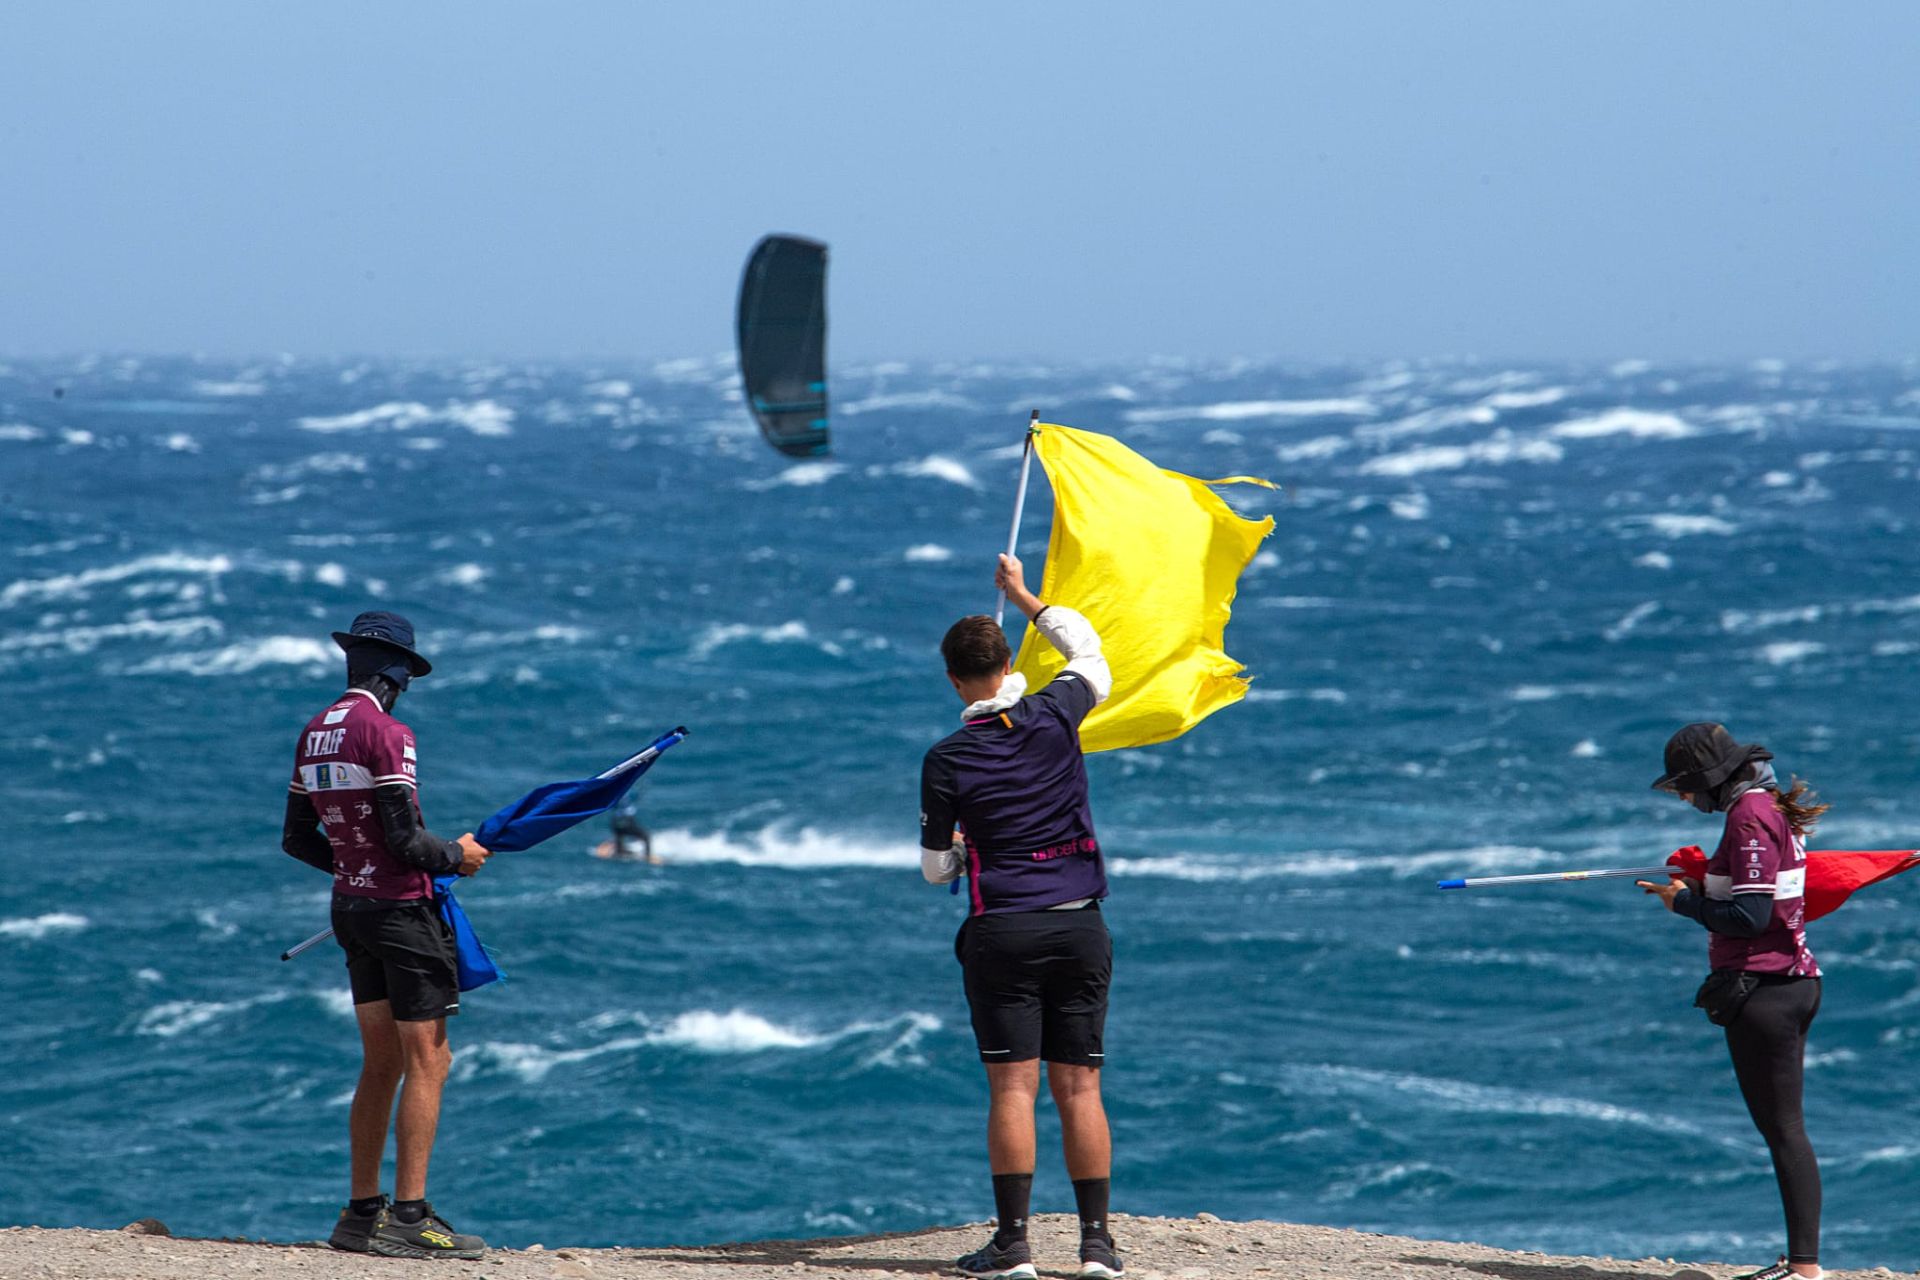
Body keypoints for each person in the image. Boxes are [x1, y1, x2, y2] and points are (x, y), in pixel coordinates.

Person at [920, 554, 1121, 1280]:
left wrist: (967, 850)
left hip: (1003, 929)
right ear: (1010, 663)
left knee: (1014, 1087)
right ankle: (1097, 1247)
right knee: (1081, 1087)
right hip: (1079, 924)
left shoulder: (946, 760)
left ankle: (1014, 1248)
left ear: (953, 681)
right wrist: (1025, 596)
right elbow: (1089, 650)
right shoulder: (1057, 710)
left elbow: (936, 868)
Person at [281, 610, 492, 1260]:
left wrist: (356, 870)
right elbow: (404, 839)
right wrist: (457, 856)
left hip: (352, 910)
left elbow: (297, 838)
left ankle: (359, 1214)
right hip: (401, 915)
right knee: (430, 1059)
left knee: (380, 1063)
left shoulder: (315, 732)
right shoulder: (388, 732)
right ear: (397, 675)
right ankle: (409, 1216)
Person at [1637, 723, 1826, 1280]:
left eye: (1687, 788)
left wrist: (1682, 906)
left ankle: (1806, 1271)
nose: (1687, 799)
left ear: (1712, 780)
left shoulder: (1747, 817)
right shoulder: (1767, 807)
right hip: (1793, 981)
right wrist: (1698, 889)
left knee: (1784, 1130)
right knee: (1785, 1127)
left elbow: (1750, 917)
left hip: (1764, 990)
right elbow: (1756, 894)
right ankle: (1803, 1266)